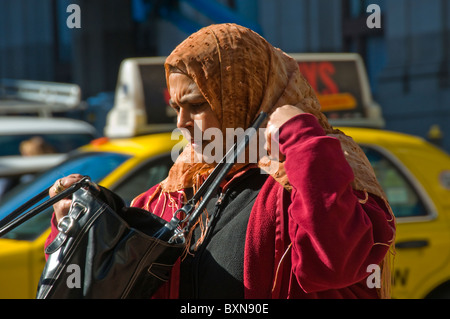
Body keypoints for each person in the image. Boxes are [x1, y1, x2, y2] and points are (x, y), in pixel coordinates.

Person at [46, 23, 395, 299]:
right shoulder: (167, 199)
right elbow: (94, 286)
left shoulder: (312, 178)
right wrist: (74, 226)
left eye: (197, 105)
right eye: (176, 108)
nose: (181, 123)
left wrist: (302, 139)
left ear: (244, 98)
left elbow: (336, 262)